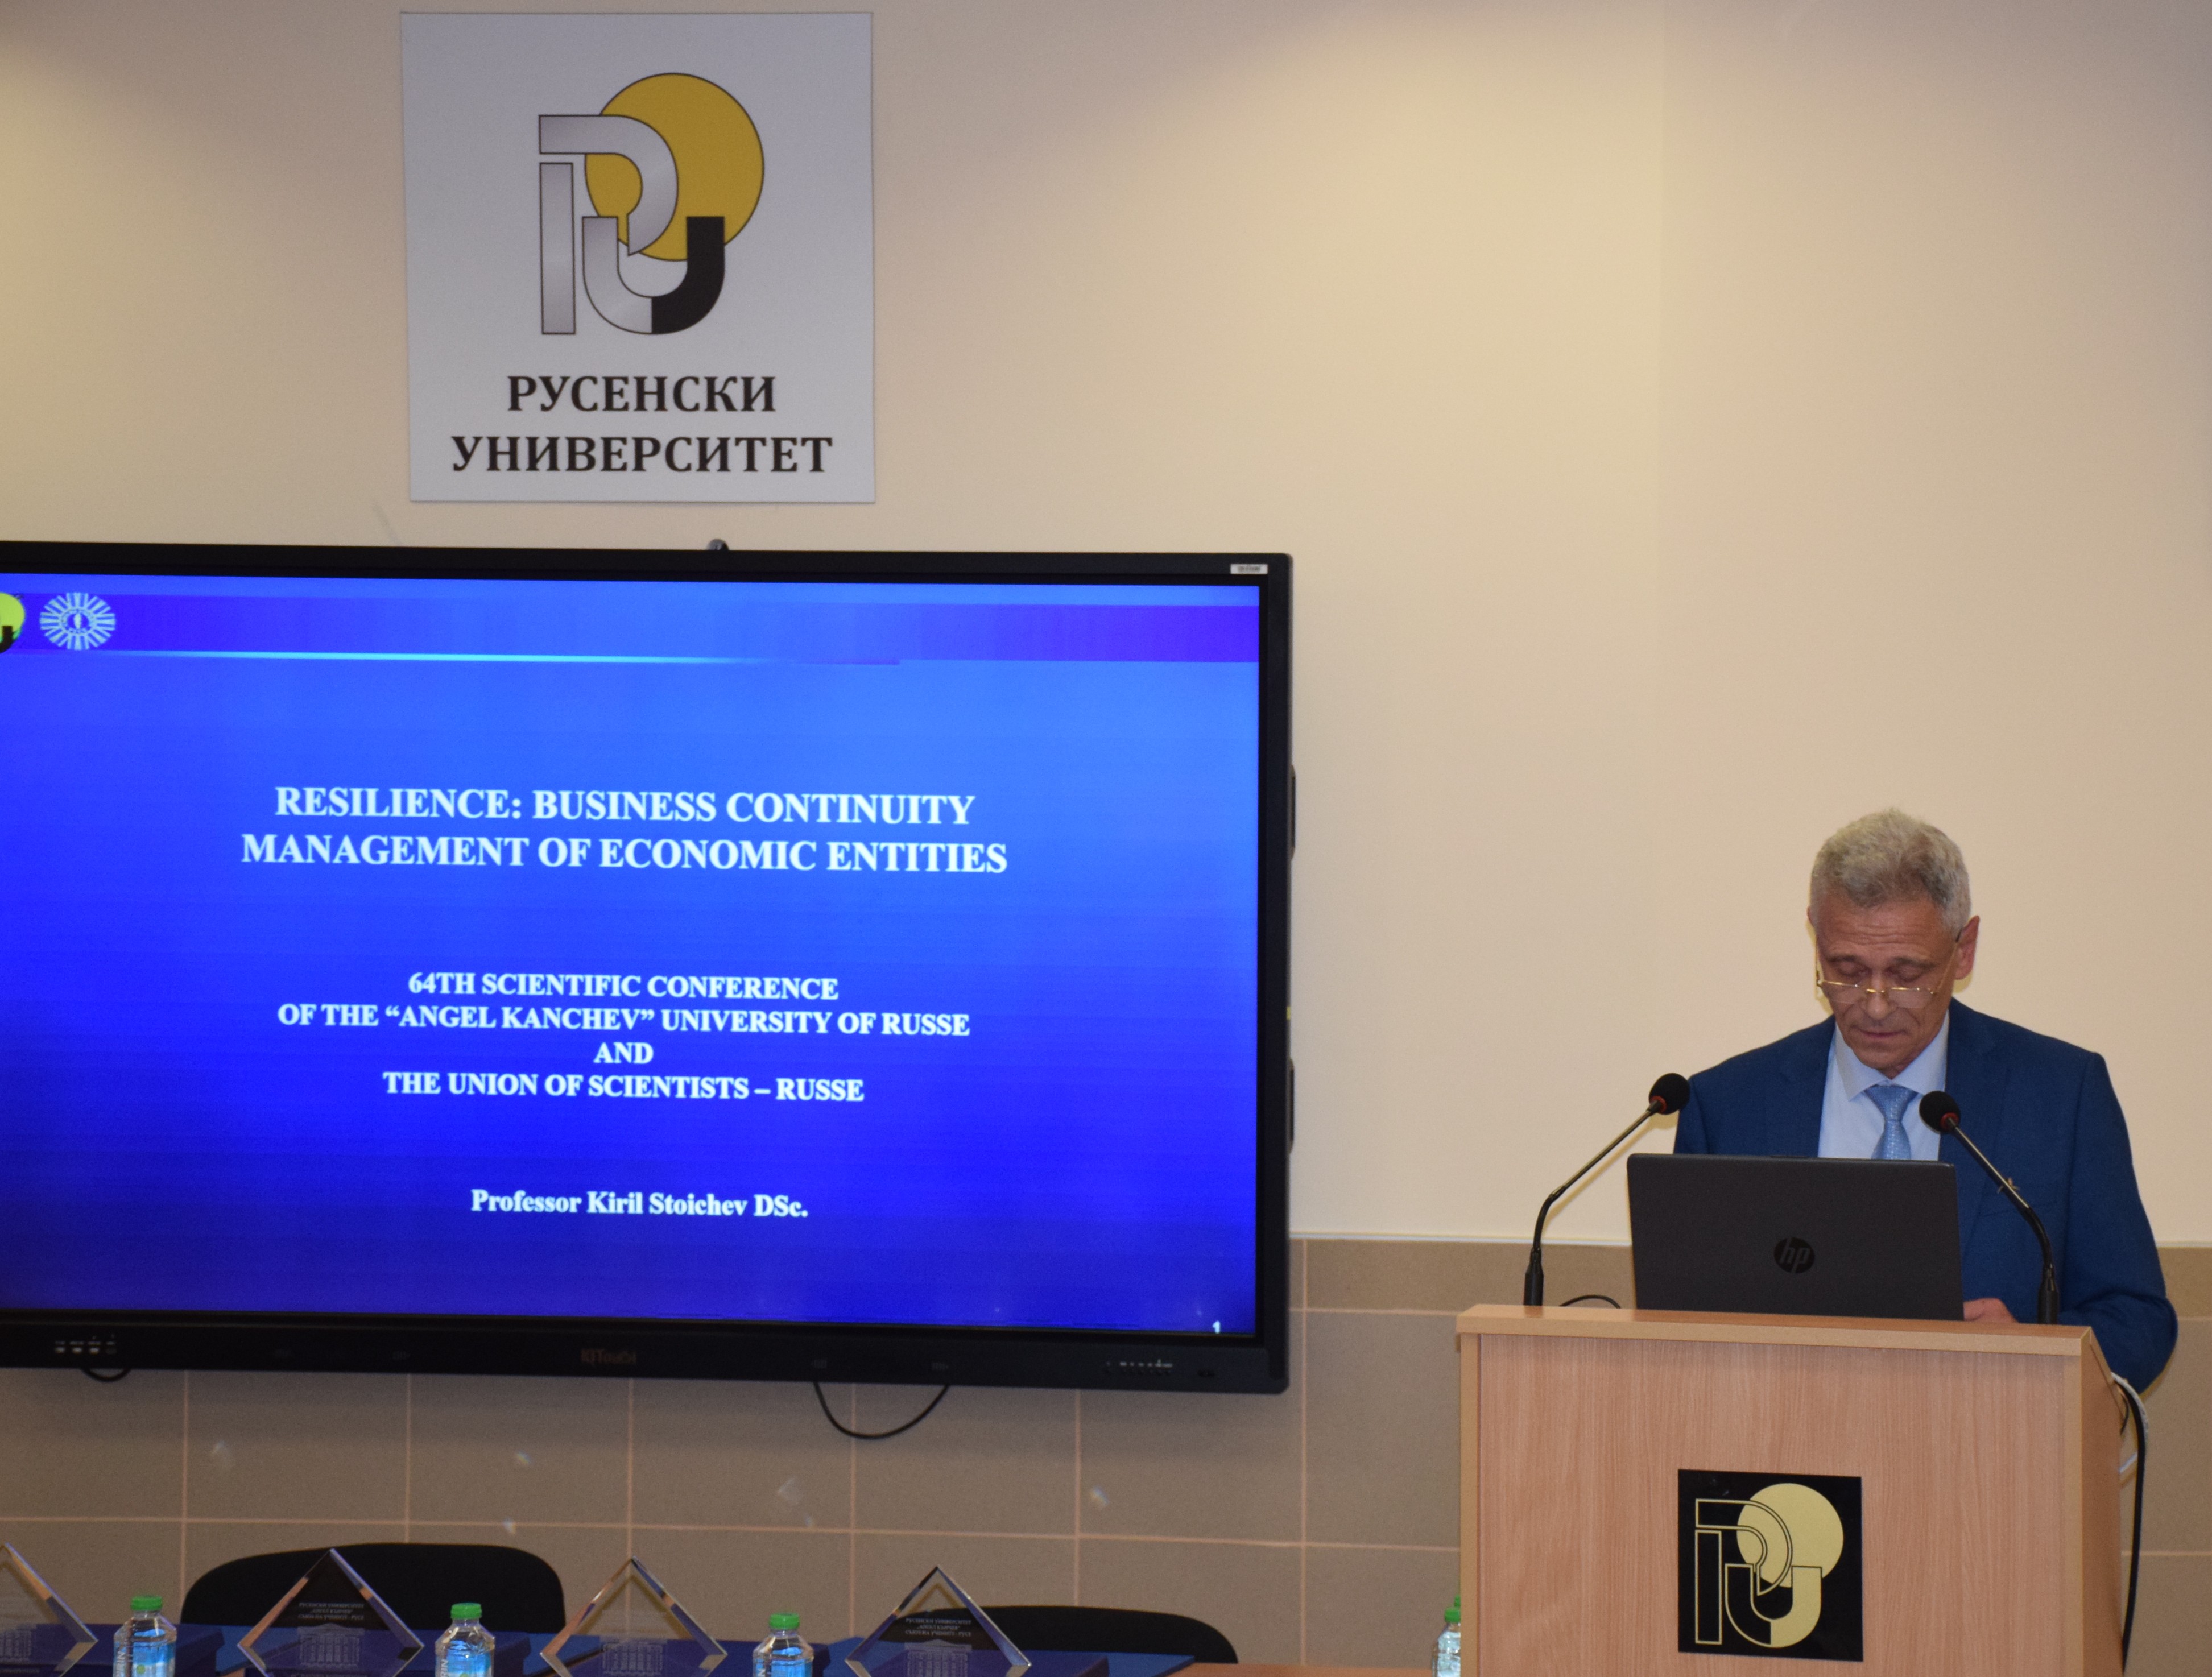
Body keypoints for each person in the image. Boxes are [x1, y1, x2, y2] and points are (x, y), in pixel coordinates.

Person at [1673, 809, 2176, 1390]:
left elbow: (2137, 1318)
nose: (1876, 1003)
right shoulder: (1726, 1106)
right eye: (1846, 969)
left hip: (1989, 1436)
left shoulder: (2061, 1094)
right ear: (1815, 937)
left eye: (1907, 973)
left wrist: (2033, 1353)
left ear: (1964, 950)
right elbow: (1681, 1327)